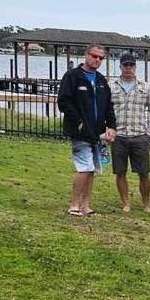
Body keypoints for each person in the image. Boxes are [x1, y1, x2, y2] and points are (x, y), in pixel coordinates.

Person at [58, 43, 115, 217]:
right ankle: (74, 204)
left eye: (100, 58)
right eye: (94, 56)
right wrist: (79, 121)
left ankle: (86, 205)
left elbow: (108, 106)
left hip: (97, 132)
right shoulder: (73, 77)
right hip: (80, 131)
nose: (97, 60)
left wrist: (111, 126)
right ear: (86, 55)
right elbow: (63, 102)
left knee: (92, 169)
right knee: (84, 167)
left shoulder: (101, 81)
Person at [108, 52, 150, 213]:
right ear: (120, 66)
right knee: (120, 171)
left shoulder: (145, 87)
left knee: (144, 172)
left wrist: (149, 132)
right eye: (125, 65)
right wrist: (107, 129)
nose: (128, 68)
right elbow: (105, 110)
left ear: (135, 67)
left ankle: (146, 203)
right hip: (119, 135)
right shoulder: (111, 86)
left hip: (139, 136)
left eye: (131, 65)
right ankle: (126, 202)